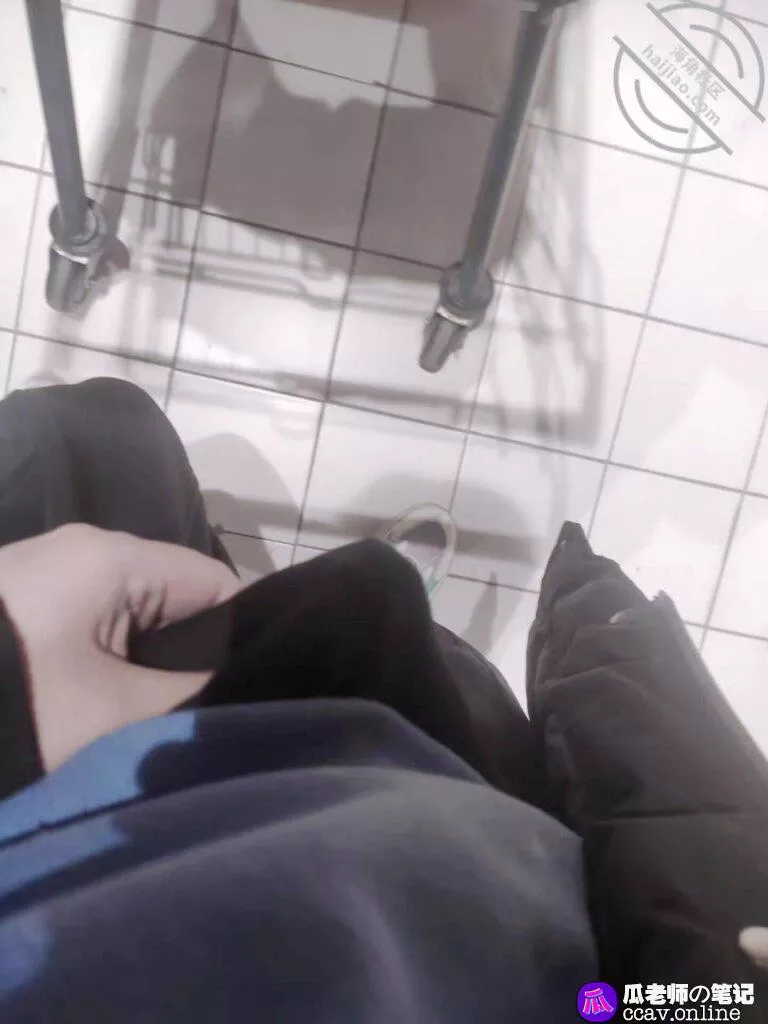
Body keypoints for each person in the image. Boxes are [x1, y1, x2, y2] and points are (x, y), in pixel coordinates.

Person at [0, 378, 766, 1024]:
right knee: (95, 439)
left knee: (79, 434)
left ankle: (248, 606)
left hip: (88, 807)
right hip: (449, 802)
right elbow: (685, 959)